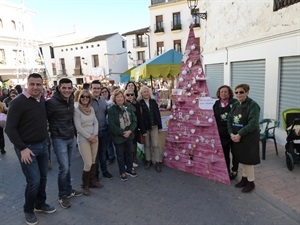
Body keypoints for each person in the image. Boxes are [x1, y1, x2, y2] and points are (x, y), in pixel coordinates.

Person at [5, 73, 56, 225]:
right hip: (27, 149)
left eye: (38, 84)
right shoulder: (18, 102)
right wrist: (22, 148)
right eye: (32, 84)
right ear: (27, 84)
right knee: (33, 180)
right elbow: (9, 128)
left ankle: (40, 204)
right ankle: (28, 210)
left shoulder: (41, 100)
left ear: (42, 85)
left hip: (43, 145)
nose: (35, 87)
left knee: (43, 178)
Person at [46, 78, 83, 209]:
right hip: (59, 139)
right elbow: (45, 120)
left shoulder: (71, 100)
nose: (67, 90)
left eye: (69, 88)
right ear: (59, 88)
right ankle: (62, 196)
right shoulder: (51, 103)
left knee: (68, 165)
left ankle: (69, 190)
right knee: (64, 168)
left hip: (70, 137)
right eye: (64, 88)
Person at [227, 84, 260, 193]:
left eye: (241, 92)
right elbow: (229, 120)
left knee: (248, 160)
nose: (238, 94)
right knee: (243, 159)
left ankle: (251, 182)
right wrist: (231, 133)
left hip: (248, 137)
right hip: (237, 137)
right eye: (236, 92)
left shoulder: (253, 105)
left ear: (247, 92)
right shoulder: (235, 105)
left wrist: (239, 134)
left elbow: (253, 123)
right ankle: (244, 179)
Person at [74, 90, 103, 196]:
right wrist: (89, 136)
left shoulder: (91, 109)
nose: (85, 98)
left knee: (94, 160)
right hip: (83, 139)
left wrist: (94, 134)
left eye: (87, 97)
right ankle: (85, 185)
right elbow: (78, 127)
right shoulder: (77, 111)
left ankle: (93, 182)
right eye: (83, 97)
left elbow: (95, 122)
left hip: (94, 138)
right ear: (80, 98)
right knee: (88, 163)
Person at [107, 89, 137, 181]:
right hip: (118, 137)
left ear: (124, 98)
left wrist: (130, 131)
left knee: (129, 153)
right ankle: (122, 171)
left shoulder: (128, 107)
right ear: (114, 99)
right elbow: (112, 125)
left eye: (121, 97)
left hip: (129, 135)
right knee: (120, 155)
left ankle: (129, 168)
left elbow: (134, 121)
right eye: (117, 97)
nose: (120, 98)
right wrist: (122, 133)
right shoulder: (111, 110)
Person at [213, 85, 239, 180]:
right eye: (221, 92)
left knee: (235, 153)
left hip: (233, 132)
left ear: (229, 93)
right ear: (219, 94)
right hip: (221, 133)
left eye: (226, 92)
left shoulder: (235, 103)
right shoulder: (216, 103)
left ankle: (235, 170)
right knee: (225, 153)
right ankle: (226, 171)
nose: (223, 93)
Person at [90, 80, 113, 180]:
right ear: (91, 89)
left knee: (103, 153)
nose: (96, 90)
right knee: (94, 155)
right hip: (93, 132)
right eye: (94, 88)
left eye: (98, 88)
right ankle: (95, 175)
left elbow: (107, 113)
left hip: (104, 130)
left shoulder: (103, 99)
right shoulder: (88, 100)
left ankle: (104, 171)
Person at [138, 86, 163, 173]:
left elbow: (157, 114)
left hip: (154, 126)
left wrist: (160, 126)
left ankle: (157, 162)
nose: (146, 93)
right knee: (147, 145)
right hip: (145, 128)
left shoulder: (153, 102)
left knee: (156, 145)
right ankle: (148, 161)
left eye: (147, 91)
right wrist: (142, 130)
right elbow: (140, 118)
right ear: (141, 93)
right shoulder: (139, 103)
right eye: (144, 92)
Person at [124, 89, 146, 167]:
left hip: (135, 127)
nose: (130, 96)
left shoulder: (137, 104)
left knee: (134, 143)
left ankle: (134, 158)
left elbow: (140, 117)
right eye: (128, 95)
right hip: (126, 128)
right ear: (125, 95)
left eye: (131, 94)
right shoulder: (123, 104)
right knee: (127, 145)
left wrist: (143, 130)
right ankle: (128, 160)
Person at [101, 86, 116, 165]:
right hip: (105, 124)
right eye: (102, 92)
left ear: (108, 92)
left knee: (116, 142)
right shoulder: (100, 101)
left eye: (105, 92)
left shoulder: (112, 100)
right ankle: (111, 157)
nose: (104, 93)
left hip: (114, 124)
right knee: (108, 142)